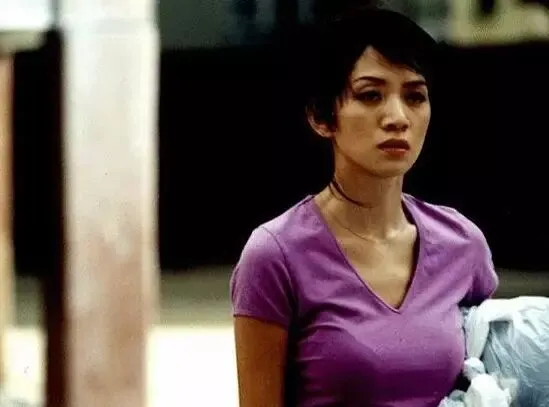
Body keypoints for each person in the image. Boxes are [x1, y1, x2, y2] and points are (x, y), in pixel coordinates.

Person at [230, 5, 499, 407]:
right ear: (322, 117)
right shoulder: (275, 255)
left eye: (415, 96)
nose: (397, 117)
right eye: (371, 95)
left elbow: (492, 385)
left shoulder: (463, 244)